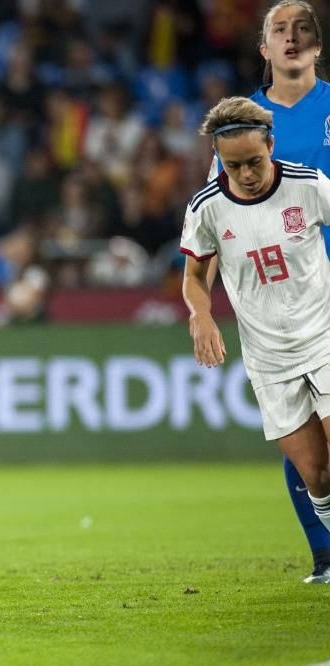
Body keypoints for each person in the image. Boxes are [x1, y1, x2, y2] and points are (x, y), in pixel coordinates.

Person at [205, 0, 330, 583]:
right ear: (263, 48)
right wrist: (200, 306)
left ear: (317, 44)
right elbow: (213, 221)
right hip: (280, 305)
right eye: (278, 29)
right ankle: (324, 554)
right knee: (302, 438)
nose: (290, 37)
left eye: (301, 28)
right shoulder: (241, 130)